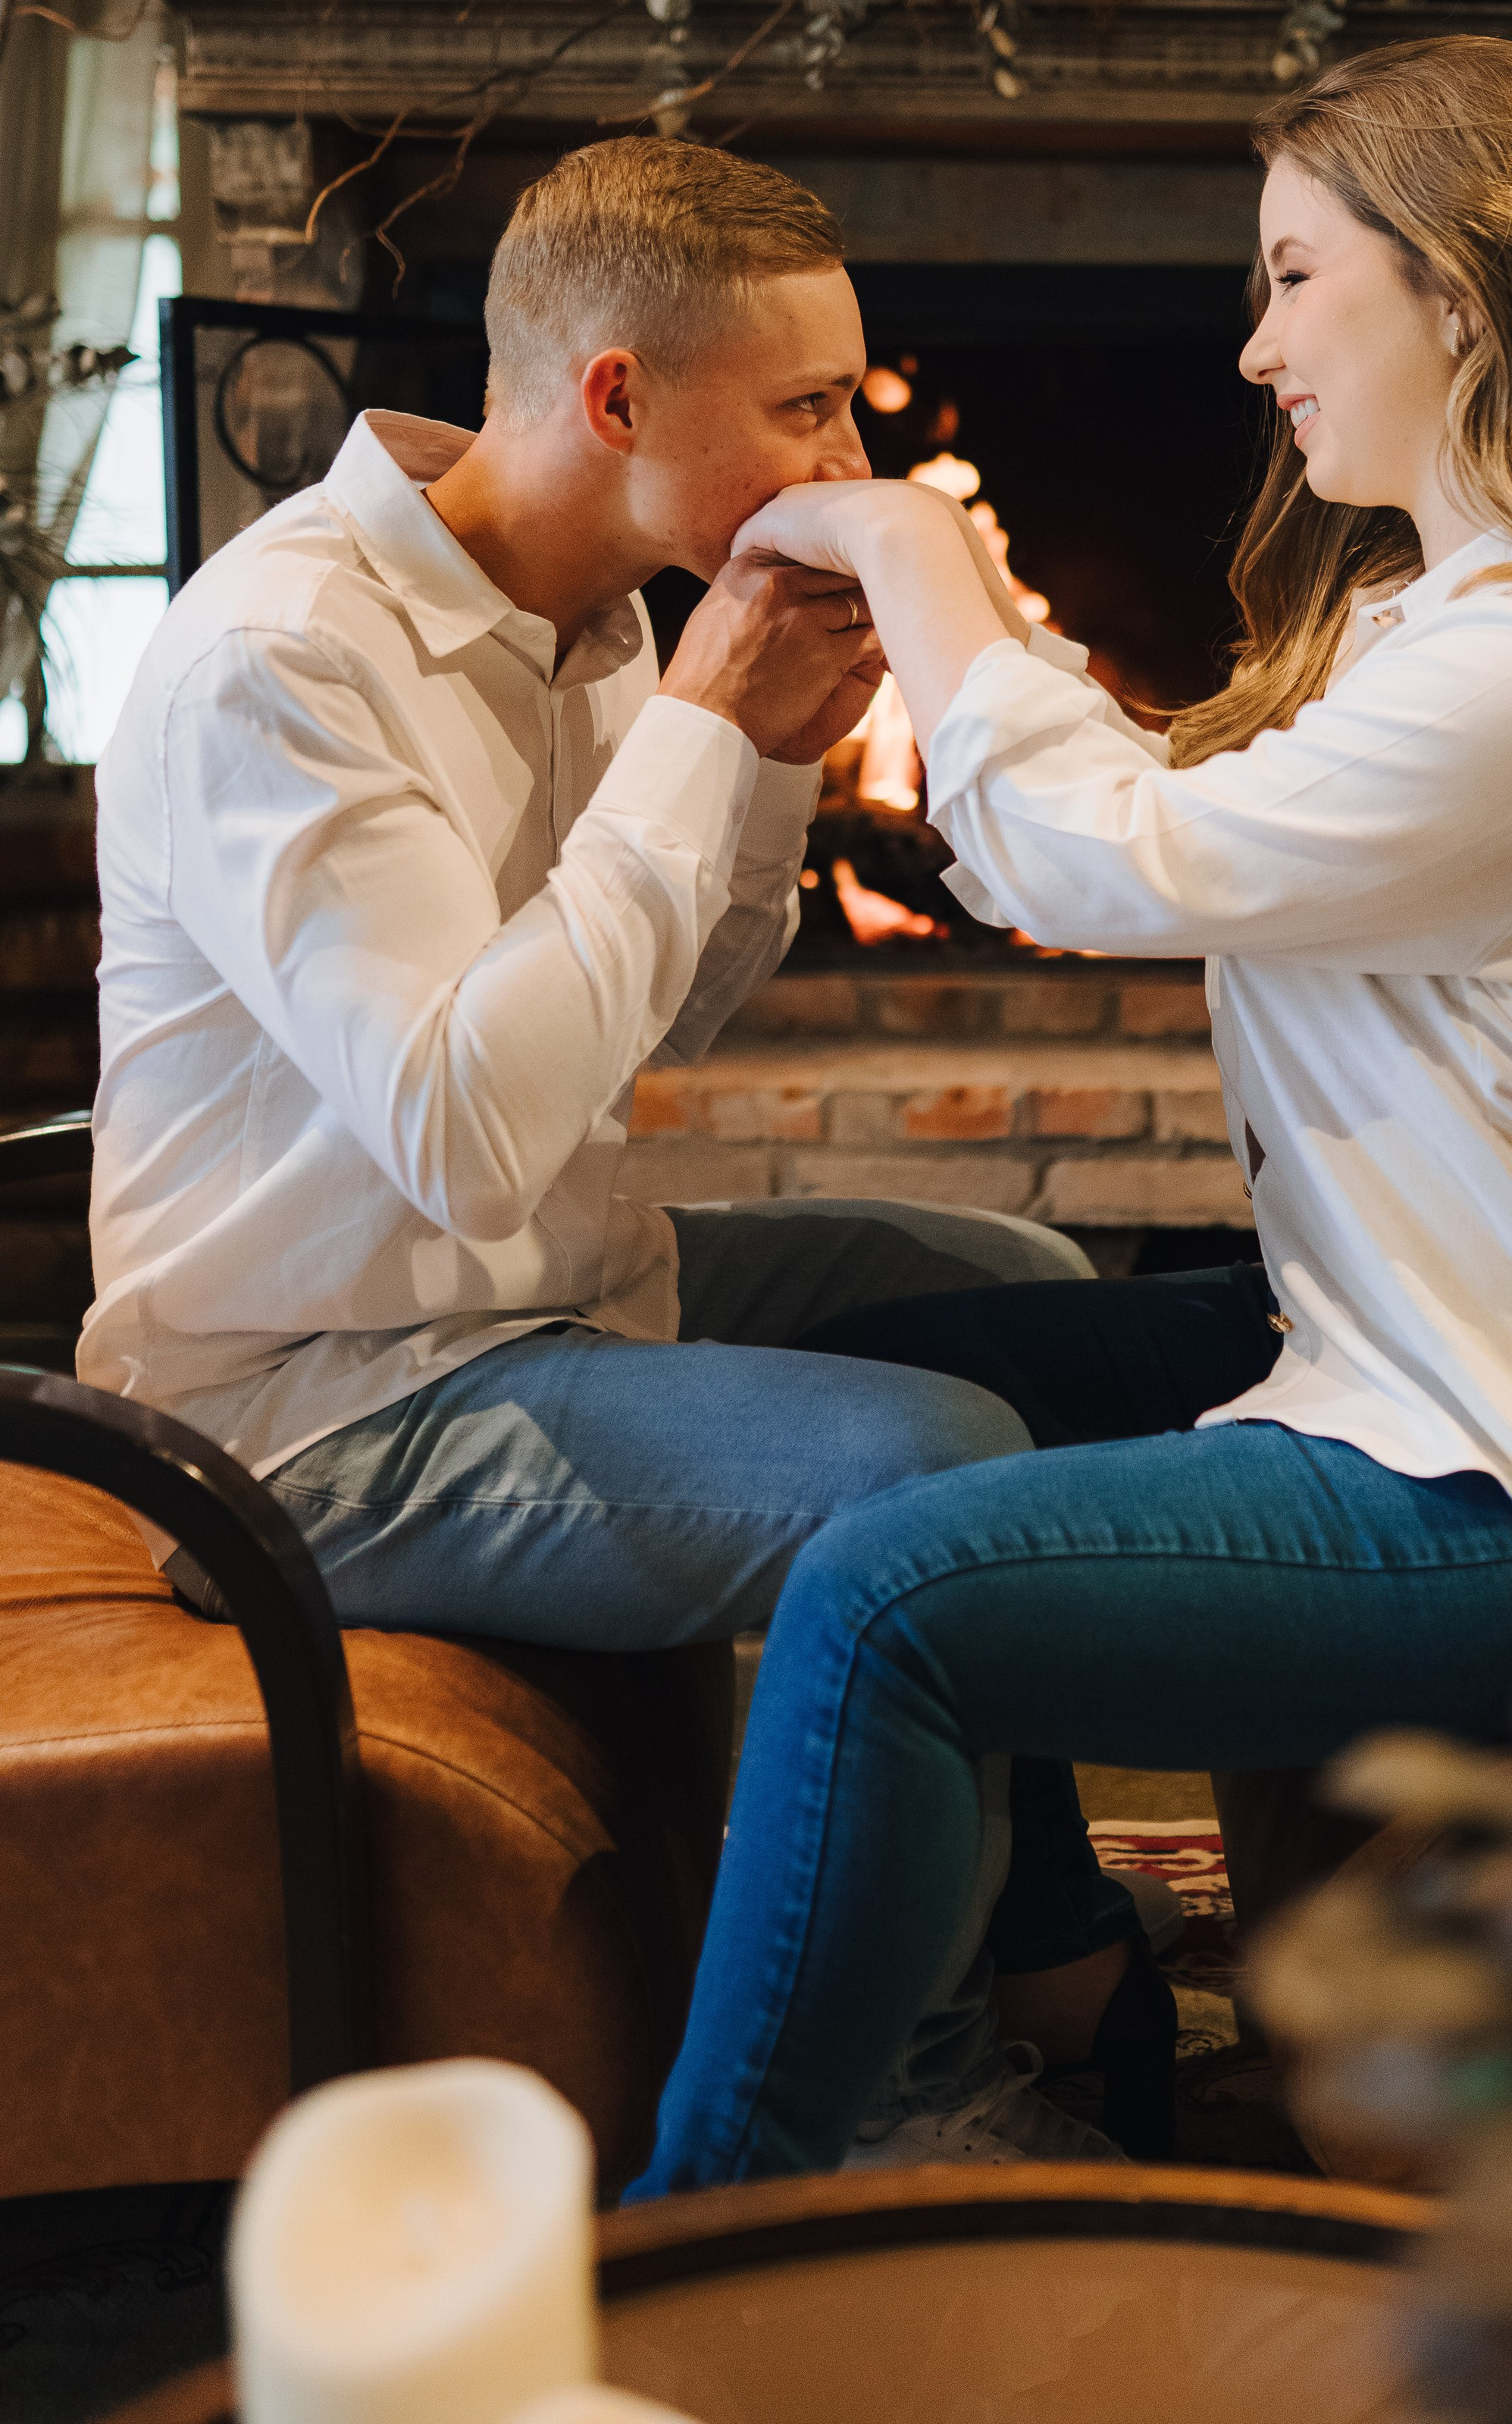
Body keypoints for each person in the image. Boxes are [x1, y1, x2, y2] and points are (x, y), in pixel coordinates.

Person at [630, 34, 1512, 2194]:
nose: (1256, 346)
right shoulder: (1425, 619)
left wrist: (905, 540)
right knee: (884, 1385)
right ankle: (1057, 1966)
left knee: (884, 1603)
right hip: (1379, 1351)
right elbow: (1154, 818)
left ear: (1457, 289)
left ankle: (721, 2222)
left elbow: (1117, 870)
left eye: (1289, 277)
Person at [83, 133, 1147, 2158]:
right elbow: (472, 1137)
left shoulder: (589, 623)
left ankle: (1034, 1925)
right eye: (809, 410)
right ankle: (908, 2123)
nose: (863, 454)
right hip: (323, 1399)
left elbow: (640, 1030)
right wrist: (702, 735)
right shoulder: (286, 659)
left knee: (1021, 1289)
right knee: (932, 1470)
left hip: (551, 1300)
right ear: (618, 400)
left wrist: (750, 761)